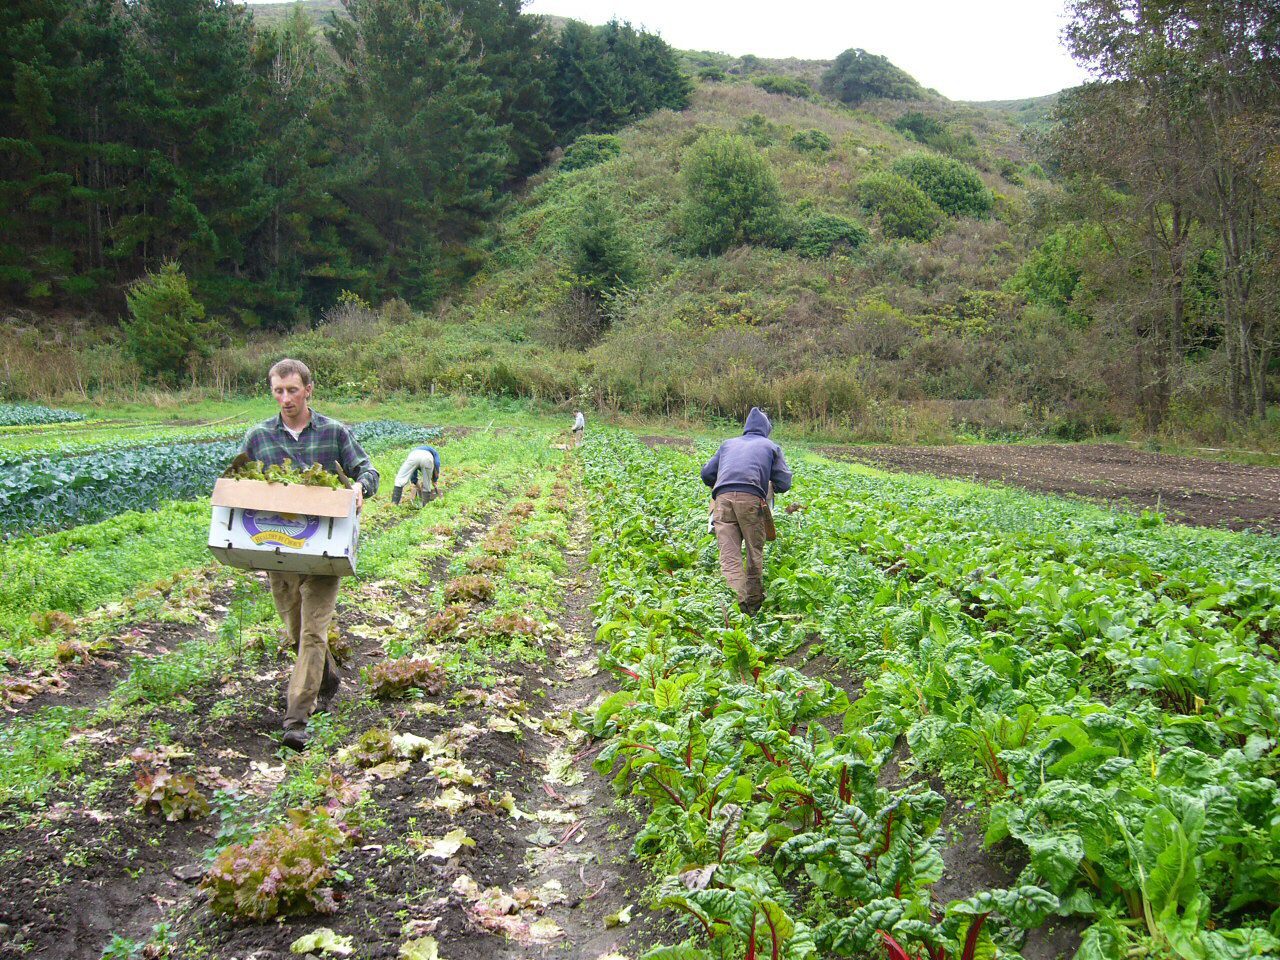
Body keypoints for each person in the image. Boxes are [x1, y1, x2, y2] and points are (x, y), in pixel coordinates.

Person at [240, 358, 379, 751]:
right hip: (279, 552)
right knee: (296, 633)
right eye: (278, 391)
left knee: (314, 632)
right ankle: (328, 678)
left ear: (308, 390)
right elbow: (236, 479)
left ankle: (297, 718)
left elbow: (368, 470)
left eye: (293, 391)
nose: (285, 399)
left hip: (322, 553)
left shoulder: (333, 432)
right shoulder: (259, 437)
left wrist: (359, 489)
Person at [700, 407, 792, 616]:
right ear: (766, 430)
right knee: (753, 552)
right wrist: (770, 485)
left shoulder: (728, 444)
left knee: (729, 555)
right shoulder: (770, 446)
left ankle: (735, 608)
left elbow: (707, 474)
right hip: (751, 500)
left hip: (722, 501)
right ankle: (753, 605)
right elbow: (784, 482)